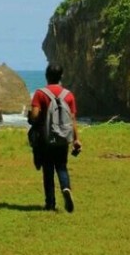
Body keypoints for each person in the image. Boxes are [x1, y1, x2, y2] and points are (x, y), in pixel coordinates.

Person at [29, 63, 82, 212]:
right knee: (61, 167)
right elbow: (72, 119)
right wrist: (76, 139)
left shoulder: (40, 93)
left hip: (46, 139)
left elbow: (34, 115)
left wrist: (33, 118)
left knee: (48, 171)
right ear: (61, 77)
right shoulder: (68, 95)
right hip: (63, 138)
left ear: (46, 76)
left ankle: (50, 204)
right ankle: (66, 188)